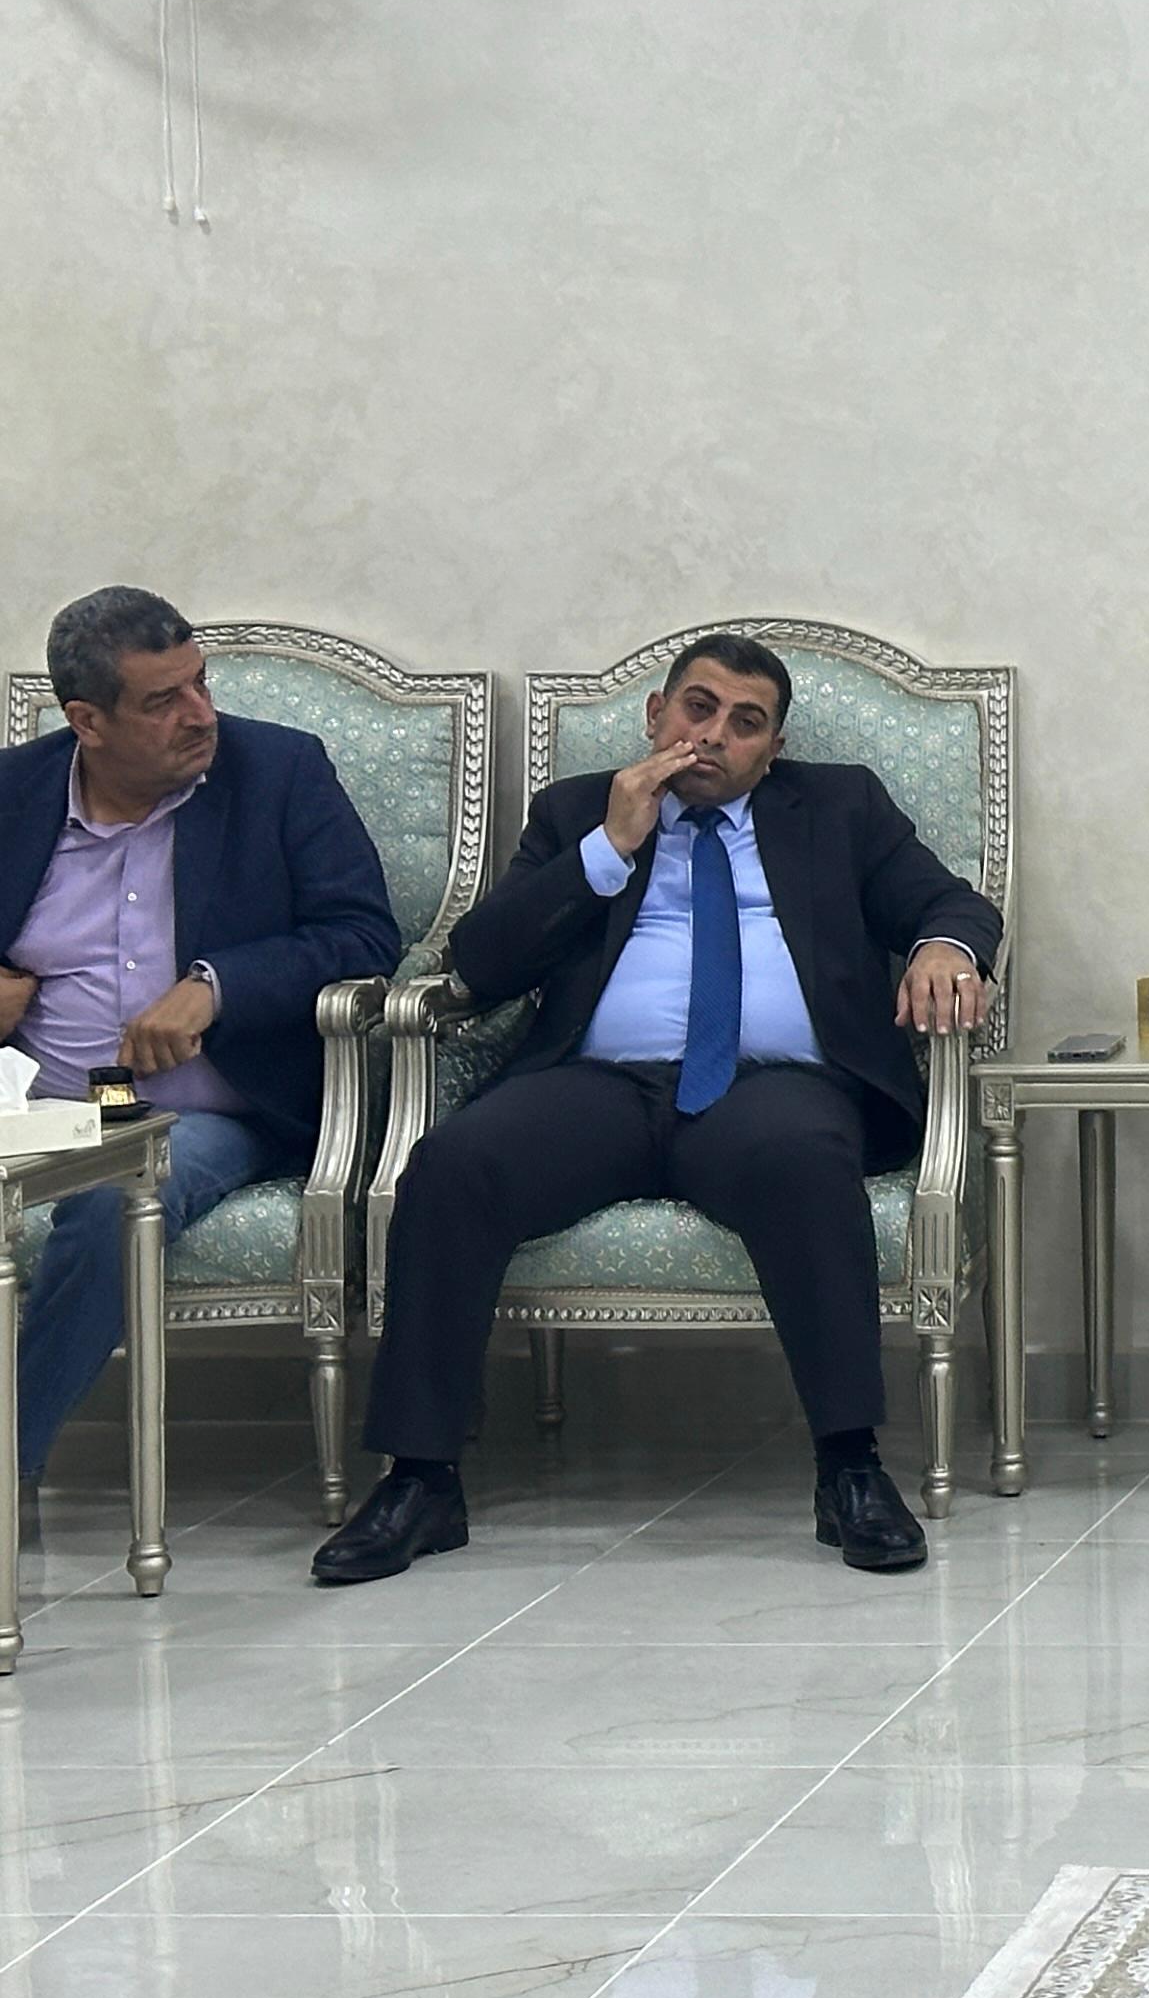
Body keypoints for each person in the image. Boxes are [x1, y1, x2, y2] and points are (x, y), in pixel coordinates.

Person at [320, 632, 999, 1584]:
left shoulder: (840, 808)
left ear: (774, 749)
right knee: (455, 1165)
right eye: (698, 708)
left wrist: (942, 948)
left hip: (774, 1086)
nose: (715, 735)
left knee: (806, 1162)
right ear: (657, 715)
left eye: (746, 723)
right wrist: (610, 847)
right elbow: (484, 962)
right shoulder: (577, 812)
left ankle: (849, 1469)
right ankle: (420, 1480)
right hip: (598, 1086)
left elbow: (955, 904)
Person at [0, 589, 398, 1528]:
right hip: (33, 1106)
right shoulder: (14, 793)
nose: (200, 714)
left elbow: (363, 935)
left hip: (204, 1111)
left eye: (201, 684)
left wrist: (217, 986)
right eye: (163, 701)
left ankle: (7, 1460)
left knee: (113, 1197)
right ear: (86, 721)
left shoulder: (280, 771)